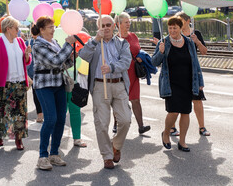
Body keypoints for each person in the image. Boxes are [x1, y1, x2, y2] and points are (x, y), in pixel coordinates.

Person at [79, 15, 132, 170]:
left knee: (125, 120)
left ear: (114, 26)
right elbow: (82, 58)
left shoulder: (122, 43)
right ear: (98, 27)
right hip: (99, 86)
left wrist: (112, 67)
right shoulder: (93, 43)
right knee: (101, 124)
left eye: (109, 25)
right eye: (103, 25)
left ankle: (116, 145)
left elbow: (126, 61)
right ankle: (107, 156)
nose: (106, 28)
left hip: (118, 84)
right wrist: (95, 40)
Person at [152, 16, 204, 152]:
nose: (172, 30)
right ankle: (166, 133)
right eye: (170, 28)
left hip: (187, 82)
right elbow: (154, 62)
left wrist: (200, 82)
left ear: (181, 28)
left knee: (185, 112)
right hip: (171, 83)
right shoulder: (164, 42)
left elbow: (195, 63)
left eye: (175, 28)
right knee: (173, 111)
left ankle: (182, 141)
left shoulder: (188, 42)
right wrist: (161, 52)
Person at [31, 16, 77, 171]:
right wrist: (68, 45)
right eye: (50, 27)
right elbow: (56, 61)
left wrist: (72, 52)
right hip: (44, 85)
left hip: (58, 83)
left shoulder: (54, 43)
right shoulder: (37, 44)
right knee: (50, 119)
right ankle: (42, 156)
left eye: (53, 26)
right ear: (42, 30)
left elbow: (65, 63)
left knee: (61, 119)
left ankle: (54, 153)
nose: (53, 30)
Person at [0, 16, 32, 151]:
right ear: (8, 29)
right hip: (4, 83)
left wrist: (27, 55)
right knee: (1, 111)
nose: (18, 31)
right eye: (16, 28)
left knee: (20, 112)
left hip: (19, 82)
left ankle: (18, 138)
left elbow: (26, 61)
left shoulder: (20, 41)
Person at [170, 11, 210, 137]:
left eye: (181, 21)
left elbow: (204, 52)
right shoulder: (175, 33)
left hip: (193, 72)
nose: (178, 24)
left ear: (188, 21)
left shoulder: (195, 33)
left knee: (197, 99)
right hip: (178, 72)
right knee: (176, 100)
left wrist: (197, 41)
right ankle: (171, 127)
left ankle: (202, 127)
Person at [113, 12, 150, 135]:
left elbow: (138, 50)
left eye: (129, 22)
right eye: (126, 22)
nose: (128, 24)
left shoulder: (133, 36)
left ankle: (141, 126)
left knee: (136, 100)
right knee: (119, 101)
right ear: (118, 24)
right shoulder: (115, 40)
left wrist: (140, 57)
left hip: (134, 72)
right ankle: (116, 124)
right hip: (121, 73)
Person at [25, 33, 43, 123]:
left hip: (44, 74)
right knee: (36, 94)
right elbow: (25, 59)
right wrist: (27, 74)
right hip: (33, 74)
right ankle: (39, 113)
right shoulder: (28, 43)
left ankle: (43, 112)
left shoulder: (47, 42)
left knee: (44, 94)